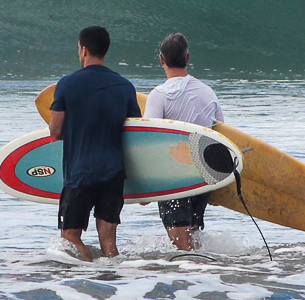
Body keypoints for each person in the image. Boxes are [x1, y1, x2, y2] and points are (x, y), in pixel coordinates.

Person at [48, 26, 141, 262]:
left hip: (80, 173)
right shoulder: (125, 86)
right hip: (113, 173)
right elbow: (136, 134)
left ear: (84, 50)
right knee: (109, 241)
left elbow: (55, 131)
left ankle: (88, 281)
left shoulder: (67, 84)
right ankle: (112, 280)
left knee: (70, 237)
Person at [143, 32, 224, 250]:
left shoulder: (159, 95)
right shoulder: (208, 93)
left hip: (174, 175)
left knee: (180, 241)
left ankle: (190, 277)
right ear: (188, 57)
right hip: (201, 175)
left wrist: (146, 186)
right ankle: (201, 278)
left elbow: (148, 142)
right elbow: (221, 140)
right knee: (194, 236)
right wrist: (218, 182)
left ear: (161, 60)